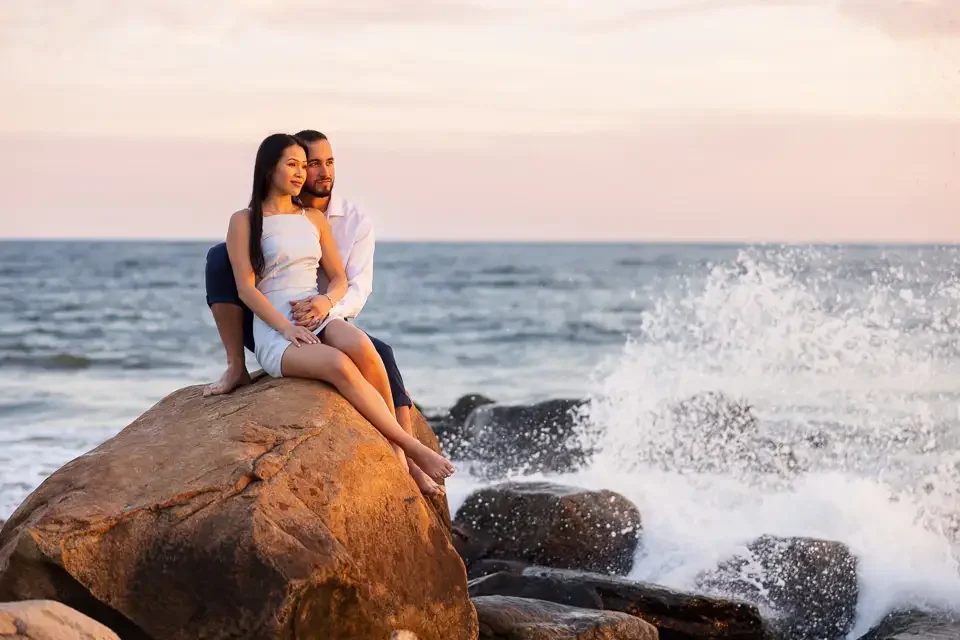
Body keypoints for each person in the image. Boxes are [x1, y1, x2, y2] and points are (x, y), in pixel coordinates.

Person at [212, 132, 454, 486]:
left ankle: (400, 453)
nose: (301, 173)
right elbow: (246, 289)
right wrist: (285, 328)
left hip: (318, 313)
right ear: (268, 170)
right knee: (339, 363)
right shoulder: (244, 220)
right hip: (277, 330)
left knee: (363, 347)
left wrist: (325, 302)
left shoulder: (313, 218)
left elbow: (340, 279)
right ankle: (411, 447)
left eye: (303, 165)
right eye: (292, 165)